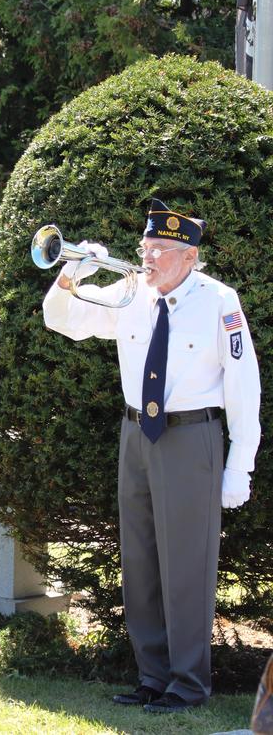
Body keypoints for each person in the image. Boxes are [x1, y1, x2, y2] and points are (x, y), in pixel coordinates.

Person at [42, 199, 261, 713]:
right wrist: (75, 267)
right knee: (138, 559)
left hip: (191, 438)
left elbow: (243, 386)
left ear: (188, 256)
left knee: (186, 563)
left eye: (160, 250)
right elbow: (62, 320)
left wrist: (239, 465)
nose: (148, 258)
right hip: (137, 434)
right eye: (145, 247)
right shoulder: (130, 293)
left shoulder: (219, 301)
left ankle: (188, 683)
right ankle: (152, 676)